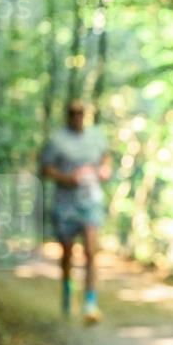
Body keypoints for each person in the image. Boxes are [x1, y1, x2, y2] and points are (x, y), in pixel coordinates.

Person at [40, 100, 112, 324]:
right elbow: (45, 168)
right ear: (68, 115)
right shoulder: (57, 140)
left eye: (81, 112)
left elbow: (106, 158)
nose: (77, 116)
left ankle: (91, 302)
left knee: (91, 251)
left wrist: (104, 170)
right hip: (65, 203)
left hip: (91, 201)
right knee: (68, 252)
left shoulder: (97, 136)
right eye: (73, 113)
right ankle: (67, 289)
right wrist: (66, 178)